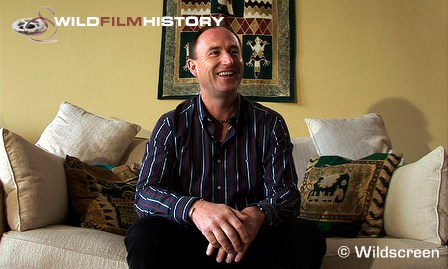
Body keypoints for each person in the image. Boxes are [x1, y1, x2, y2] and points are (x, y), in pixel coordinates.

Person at [125, 25, 326, 269]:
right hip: (189, 239)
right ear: (193, 67)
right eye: (214, 53)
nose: (228, 60)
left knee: (306, 235)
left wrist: (258, 215)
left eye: (234, 52)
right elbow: (145, 194)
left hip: (250, 240)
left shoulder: (270, 123)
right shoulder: (171, 124)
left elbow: (287, 195)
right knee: (145, 235)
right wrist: (195, 209)